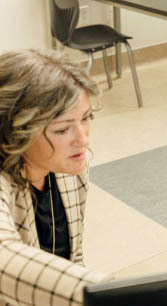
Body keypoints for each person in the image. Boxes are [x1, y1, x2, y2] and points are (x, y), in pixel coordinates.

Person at [0, 49, 106, 306]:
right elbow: (4, 258)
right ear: (16, 131)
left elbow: (73, 259)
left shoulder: (71, 169)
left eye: (86, 118)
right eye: (62, 129)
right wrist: (113, 296)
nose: (83, 139)